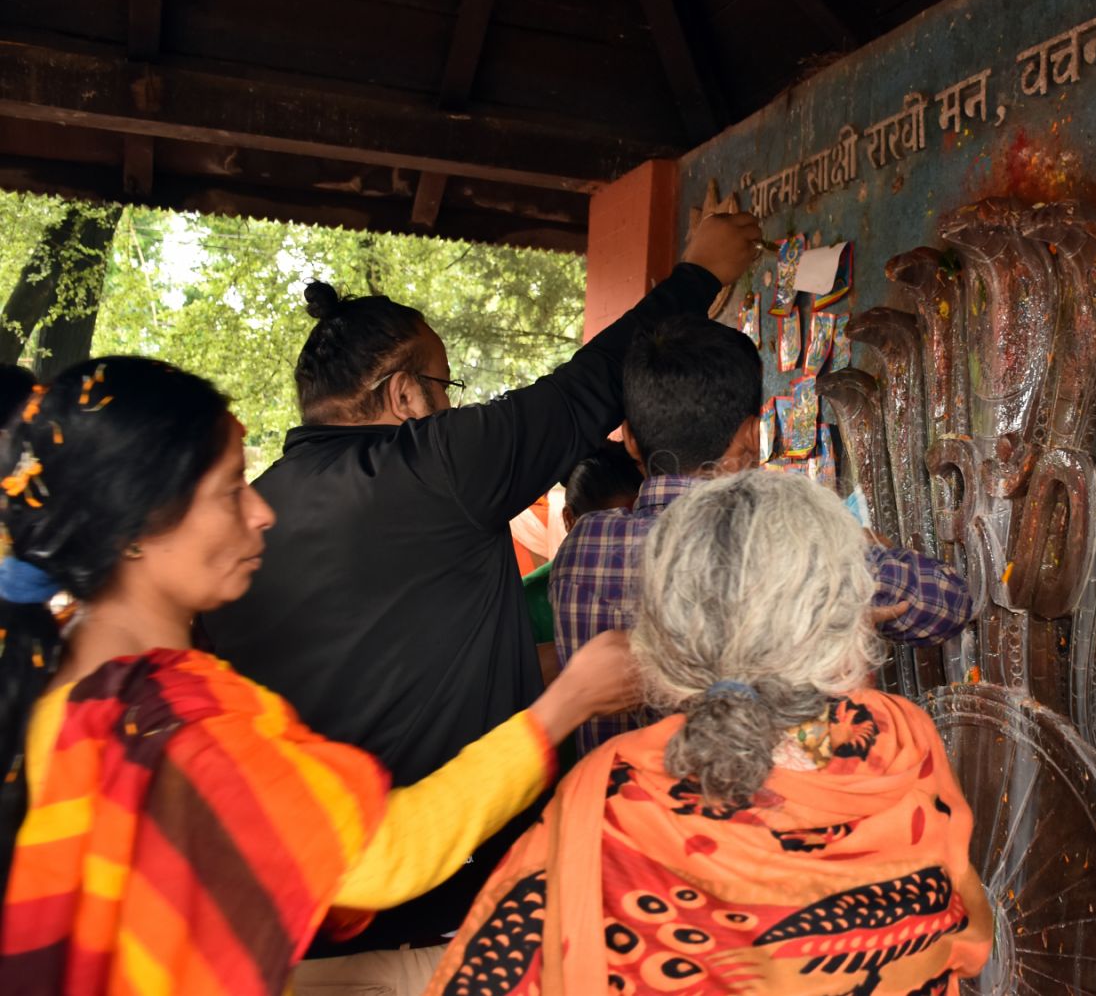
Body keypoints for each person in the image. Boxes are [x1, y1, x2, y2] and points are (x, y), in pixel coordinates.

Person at [198, 213, 762, 976]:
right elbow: (581, 393)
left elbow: (391, 660)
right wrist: (699, 271)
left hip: (296, 931)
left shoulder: (246, 529)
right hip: (445, 929)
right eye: (443, 383)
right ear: (404, 395)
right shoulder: (437, 468)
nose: (453, 403)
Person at [0, 357, 640, 996]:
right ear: (136, 526)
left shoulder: (67, 677)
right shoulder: (168, 723)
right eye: (230, 491)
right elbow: (388, 852)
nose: (261, 513)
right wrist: (567, 702)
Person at [427, 469, 994, 995]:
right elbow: (967, 943)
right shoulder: (904, 742)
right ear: (847, 632)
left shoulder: (612, 793)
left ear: (665, 639)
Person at [549, 315, 973, 757]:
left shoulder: (581, 545)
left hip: (610, 812)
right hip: (740, 819)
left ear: (631, 440)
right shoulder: (780, 542)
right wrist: (853, 555)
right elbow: (947, 602)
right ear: (753, 435)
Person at [522, 440, 643, 647]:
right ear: (569, 519)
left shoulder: (660, 583)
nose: (624, 542)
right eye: (606, 531)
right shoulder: (528, 602)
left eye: (635, 526)